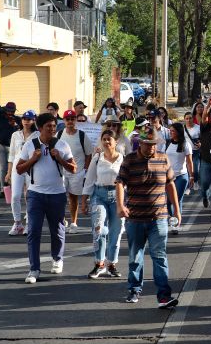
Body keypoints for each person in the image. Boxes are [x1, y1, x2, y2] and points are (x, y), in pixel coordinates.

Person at [116, 126, 181, 308]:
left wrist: (177, 210)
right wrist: (120, 205)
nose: (152, 147)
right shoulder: (129, 160)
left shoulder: (163, 158)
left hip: (158, 217)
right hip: (135, 217)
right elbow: (120, 183)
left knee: (159, 256)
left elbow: (170, 185)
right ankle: (134, 289)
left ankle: (164, 296)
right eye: (148, 144)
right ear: (140, 143)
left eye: (155, 144)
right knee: (135, 255)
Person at [15, 113, 76, 284]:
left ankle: (57, 258)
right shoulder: (30, 145)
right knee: (34, 231)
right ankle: (34, 268)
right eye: (48, 126)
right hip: (35, 194)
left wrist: (60, 159)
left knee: (57, 229)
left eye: (54, 126)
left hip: (57, 194)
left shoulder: (62, 145)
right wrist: (33, 159)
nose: (52, 129)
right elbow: (19, 169)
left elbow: (73, 169)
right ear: (40, 128)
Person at [81, 130, 125, 279]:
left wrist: (127, 203)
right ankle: (99, 264)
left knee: (116, 232)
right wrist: (84, 201)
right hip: (99, 195)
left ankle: (111, 264)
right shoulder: (97, 158)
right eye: (104, 139)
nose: (106, 142)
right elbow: (89, 179)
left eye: (109, 139)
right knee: (99, 229)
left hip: (117, 197)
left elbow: (128, 182)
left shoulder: (122, 159)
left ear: (115, 142)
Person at [58, 109, 94, 233]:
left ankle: (73, 222)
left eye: (72, 119)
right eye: (67, 119)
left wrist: (85, 169)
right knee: (60, 197)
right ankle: (62, 219)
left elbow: (89, 154)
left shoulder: (82, 135)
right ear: (64, 121)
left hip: (77, 172)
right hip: (62, 172)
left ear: (76, 120)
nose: (70, 121)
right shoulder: (59, 135)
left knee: (73, 198)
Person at [6, 111, 39, 236]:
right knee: (15, 196)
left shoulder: (37, 135)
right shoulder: (16, 135)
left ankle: (29, 224)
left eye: (29, 119)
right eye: (24, 119)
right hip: (17, 168)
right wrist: (8, 172)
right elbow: (12, 154)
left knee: (29, 196)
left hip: (31, 168)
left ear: (33, 121)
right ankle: (17, 223)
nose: (26, 121)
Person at [166, 122, 194, 234]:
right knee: (168, 202)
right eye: (170, 131)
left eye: (173, 131)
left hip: (181, 177)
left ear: (178, 132)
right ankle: (172, 219)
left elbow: (189, 161)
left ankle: (176, 225)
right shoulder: (168, 143)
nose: (171, 133)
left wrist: (192, 176)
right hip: (168, 177)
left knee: (177, 200)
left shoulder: (185, 144)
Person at [0, 102, 20, 195]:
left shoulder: (18, 120)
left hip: (12, 147)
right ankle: (3, 189)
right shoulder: (0, 118)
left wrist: (15, 125)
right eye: (8, 111)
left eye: (11, 112)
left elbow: (22, 133)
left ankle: (11, 187)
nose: (9, 113)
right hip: (0, 145)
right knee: (3, 168)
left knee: (12, 169)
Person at [198, 105, 211, 208]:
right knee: (204, 183)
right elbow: (204, 117)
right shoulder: (205, 128)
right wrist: (208, 106)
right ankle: (205, 196)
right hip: (206, 160)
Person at [183, 112, 201, 188]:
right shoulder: (182, 128)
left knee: (196, 169)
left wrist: (201, 143)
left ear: (193, 118)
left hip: (195, 151)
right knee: (187, 169)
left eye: (190, 118)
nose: (189, 120)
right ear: (184, 119)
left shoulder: (198, 127)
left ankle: (196, 181)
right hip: (186, 152)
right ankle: (188, 186)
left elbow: (202, 138)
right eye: (187, 118)